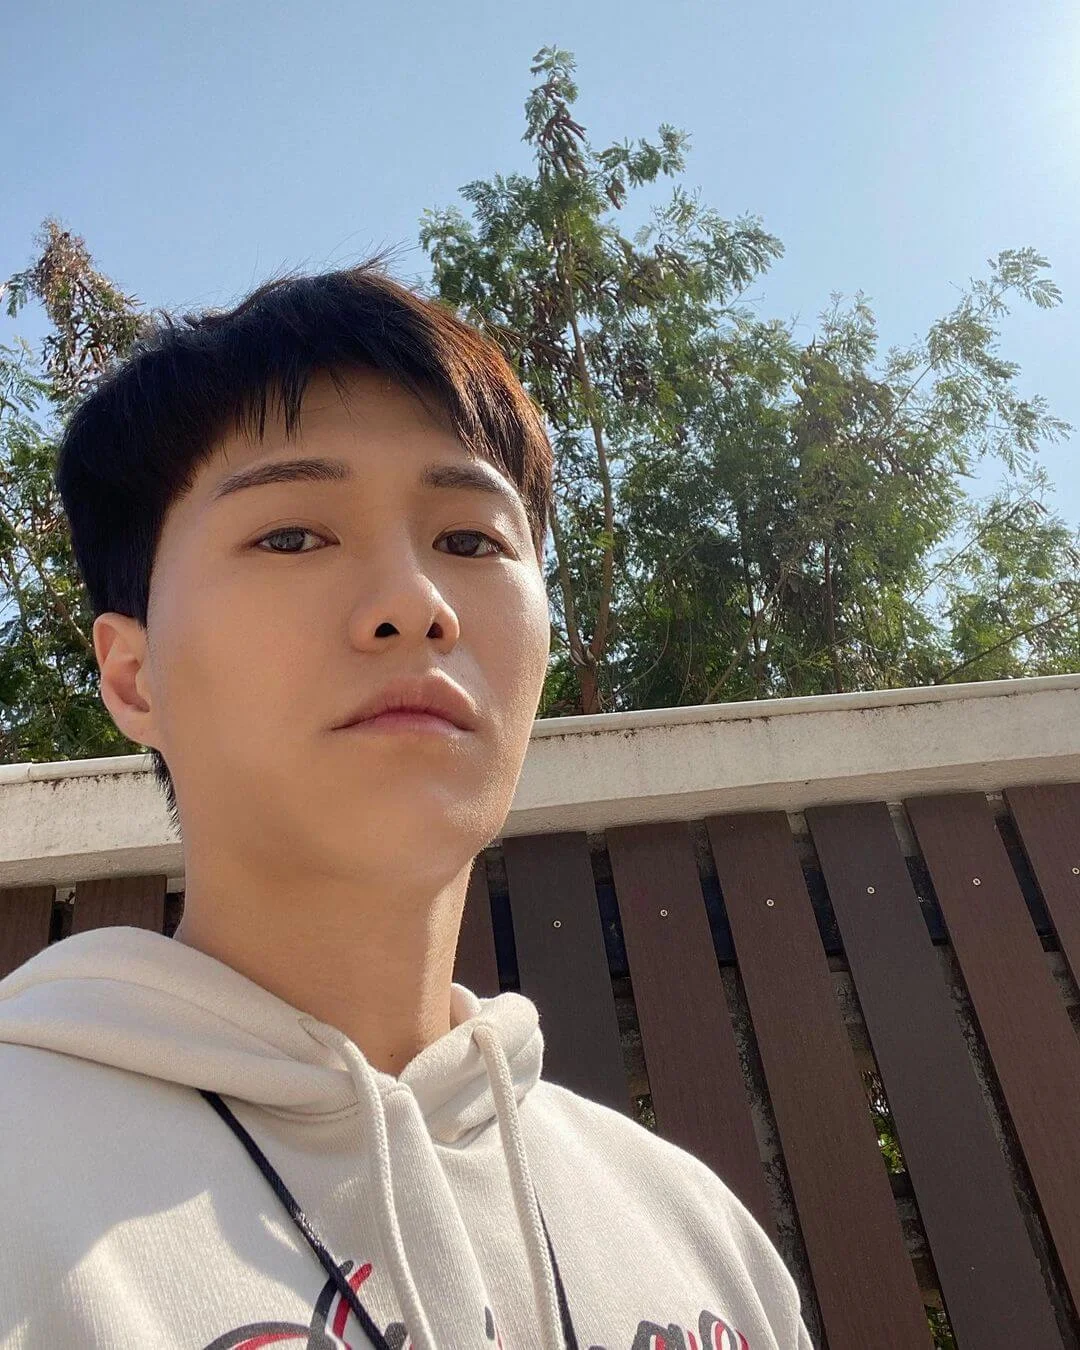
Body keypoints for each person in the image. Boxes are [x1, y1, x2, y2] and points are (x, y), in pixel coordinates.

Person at [0, 263, 814, 1349]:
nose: (415, 605)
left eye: (471, 541)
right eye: (292, 536)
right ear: (133, 675)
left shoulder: (699, 1236)